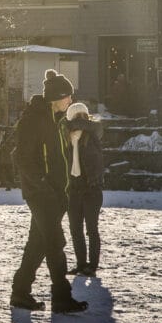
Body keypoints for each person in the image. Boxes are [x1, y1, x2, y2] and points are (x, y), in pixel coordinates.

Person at [10, 69, 87, 314]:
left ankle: (20, 293)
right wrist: (43, 185)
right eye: (68, 97)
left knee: (38, 244)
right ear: (57, 97)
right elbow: (23, 158)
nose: (71, 101)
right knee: (55, 242)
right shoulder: (34, 119)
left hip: (54, 193)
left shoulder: (57, 120)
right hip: (41, 193)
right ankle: (61, 297)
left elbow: (58, 157)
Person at [65, 102, 105, 276]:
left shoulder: (93, 134)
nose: (80, 120)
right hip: (73, 188)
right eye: (77, 116)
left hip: (91, 189)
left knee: (91, 229)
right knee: (75, 229)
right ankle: (81, 264)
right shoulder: (67, 137)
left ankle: (92, 265)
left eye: (83, 116)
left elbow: (94, 127)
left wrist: (75, 121)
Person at [0, 122, 18, 191]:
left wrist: (5, 147)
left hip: (7, 160)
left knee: (8, 174)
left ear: (1, 132)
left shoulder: (7, 139)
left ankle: (9, 185)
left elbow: (11, 148)